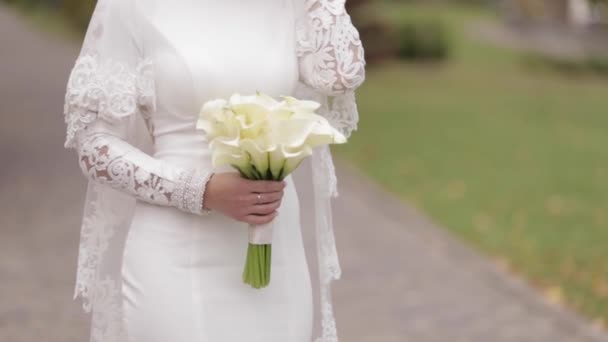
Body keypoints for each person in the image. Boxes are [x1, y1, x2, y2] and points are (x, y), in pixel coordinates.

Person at [62, 0, 365, 341]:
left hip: (275, 246)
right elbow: (94, 145)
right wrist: (200, 189)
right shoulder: (131, 6)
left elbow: (340, 76)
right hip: (177, 250)